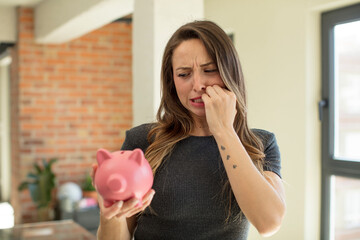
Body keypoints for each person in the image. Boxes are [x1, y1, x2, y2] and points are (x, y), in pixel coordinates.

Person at [92, 20, 286, 240]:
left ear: (229, 71)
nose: (198, 85)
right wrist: (110, 218)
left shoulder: (261, 143)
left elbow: (269, 222)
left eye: (209, 70)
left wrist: (223, 130)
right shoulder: (142, 141)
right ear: (172, 81)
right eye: (184, 74)